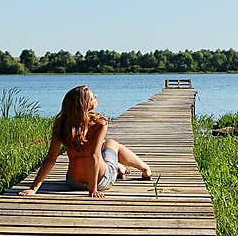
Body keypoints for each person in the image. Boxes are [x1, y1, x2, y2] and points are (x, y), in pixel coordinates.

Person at [19, 85, 153, 199]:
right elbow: (94, 156)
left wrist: (34, 188)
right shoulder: (100, 123)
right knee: (111, 144)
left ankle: (119, 167)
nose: (96, 96)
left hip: (73, 182)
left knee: (101, 146)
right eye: (93, 96)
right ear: (84, 104)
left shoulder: (61, 124)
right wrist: (93, 189)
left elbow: (51, 158)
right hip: (101, 181)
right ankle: (144, 168)